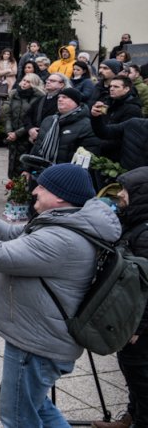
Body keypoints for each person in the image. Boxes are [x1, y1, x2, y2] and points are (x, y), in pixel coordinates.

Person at [0, 164, 119, 428]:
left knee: (17, 417)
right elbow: (10, 234)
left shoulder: (61, 237)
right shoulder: (64, 220)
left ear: (60, 196)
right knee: (37, 407)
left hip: (37, 345)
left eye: (43, 186)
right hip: (41, 338)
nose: (35, 190)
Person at [94, 167, 148, 428]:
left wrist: (139, 326)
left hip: (141, 321)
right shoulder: (137, 224)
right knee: (131, 368)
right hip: (132, 315)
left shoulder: (146, 233)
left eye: (125, 191)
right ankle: (131, 416)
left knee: (140, 372)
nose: (121, 196)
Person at [31, 87, 102, 164]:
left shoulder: (87, 125)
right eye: (59, 97)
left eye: (65, 97)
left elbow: (88, 155)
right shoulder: (48, 120)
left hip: (67, 173)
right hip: (40, 170)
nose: (60, 99)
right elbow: (37, 146)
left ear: (75, 102)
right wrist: (27, 169)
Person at [2, 73, 45, 181]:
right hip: (12, 135)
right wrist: (9, 131)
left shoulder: (39, 97)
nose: (24, 83)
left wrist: (17, 133)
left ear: (34, 84)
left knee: (24, 164)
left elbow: (34, 120)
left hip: (26, 136)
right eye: (24, 80)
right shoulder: (14, 94)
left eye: (28, 81)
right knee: (12, 163)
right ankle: (13, 189)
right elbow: (7, 114)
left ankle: (22, 192)